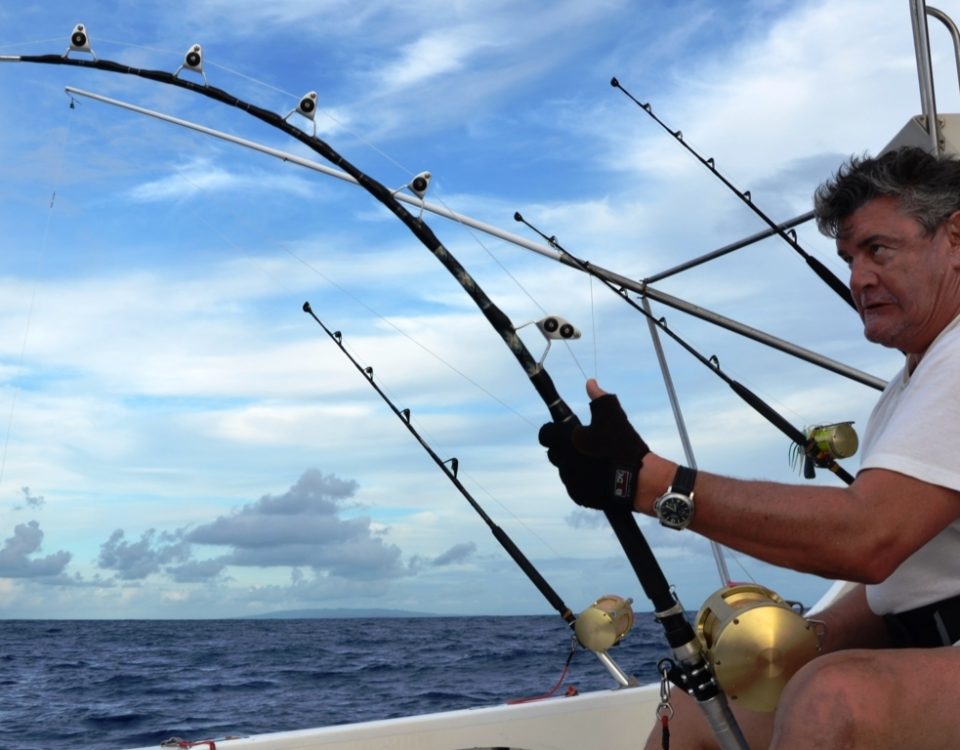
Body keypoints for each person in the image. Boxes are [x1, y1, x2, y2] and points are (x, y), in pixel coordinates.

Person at [538, 145, 960, 749]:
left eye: (878, 250)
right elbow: (913, 584)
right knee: (698, 708)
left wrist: (653, 483)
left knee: (833, 700)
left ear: (956, 239)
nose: (858, 278)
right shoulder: (909, 385)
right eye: (847, 258)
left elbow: (870, 539)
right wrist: (798, 639)